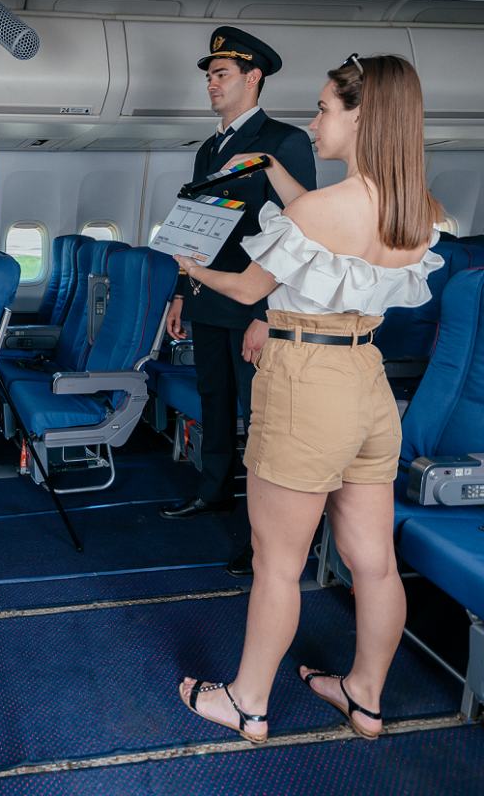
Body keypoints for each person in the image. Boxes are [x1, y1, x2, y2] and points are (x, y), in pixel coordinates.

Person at [174, 54, 442, 743]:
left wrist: (191, 266)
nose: (316, 121)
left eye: (325, 108)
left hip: (306, 386)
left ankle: (247, 703)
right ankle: (364, 697)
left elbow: (249, 287)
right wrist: (273, 168)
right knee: (374, 562)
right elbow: (321, 229)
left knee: (278, 563)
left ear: (362, 116)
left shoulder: (320, 210)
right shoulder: (417, 210)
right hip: (367, 384)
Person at [160, 28, 317, 580]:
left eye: (221, 74)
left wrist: (265, 316)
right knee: (214, 400)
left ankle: (265, 535)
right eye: (209, 75)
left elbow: (296, 235)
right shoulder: (210, 149)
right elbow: (195, 229)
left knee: (260, 419)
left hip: (253, 304)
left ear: (253, 78)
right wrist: (181, 294)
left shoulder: (283, 141)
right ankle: (214, 492)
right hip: (208, 298)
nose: (211, 83)